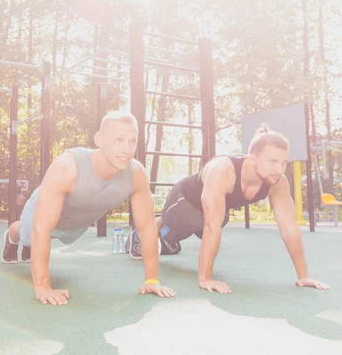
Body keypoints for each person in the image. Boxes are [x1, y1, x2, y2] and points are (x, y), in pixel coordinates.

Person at [126, 126, 330, 294]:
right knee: (180, 227)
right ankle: (138, 236)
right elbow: (210, 227)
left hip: (214, 211)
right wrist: (205, 278)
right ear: (252, 159)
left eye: (283, 162)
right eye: (272, 162)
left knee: (216, 221)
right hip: (184, 201)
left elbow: (289, 228)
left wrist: (303, 275)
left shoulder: (277, 181)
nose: (279, 169)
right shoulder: (223, 170)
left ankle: (167, 240)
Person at [2, 110, 176, 306]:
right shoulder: (67, 167)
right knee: (27, 235)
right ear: (99, 140)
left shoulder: (136, 174)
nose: (127, 149)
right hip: (44, 213)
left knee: (53, 237)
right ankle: (12, 237)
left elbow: (146, 228)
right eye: (119, 140)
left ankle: (29, 246)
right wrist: (43, 287)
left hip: (77, 223)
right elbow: (40, 228)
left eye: (132, 141)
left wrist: (152, 280)